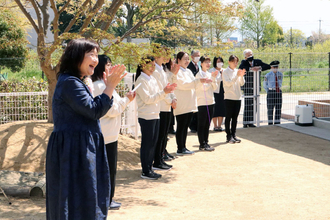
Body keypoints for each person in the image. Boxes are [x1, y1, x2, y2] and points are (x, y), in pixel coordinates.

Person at [46, 38, 127, 219]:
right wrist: (111, 87)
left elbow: (93, 108)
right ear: (76, 57)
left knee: (85, 198)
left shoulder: (76, 81)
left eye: (96, 54)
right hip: (72, 152)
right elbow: (94, 110)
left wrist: (108, 88)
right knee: (76, 200)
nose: (96, 59)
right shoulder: (70, 83)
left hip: (78, 148)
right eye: (91, 54)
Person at [91, 55, 136, 210]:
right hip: (105, 134)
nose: (110, 68)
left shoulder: (106, 85)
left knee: (110, 169)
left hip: (111, 134)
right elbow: (112, 110)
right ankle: (105, 200)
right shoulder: (98, 86)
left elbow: (115, 106)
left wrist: (125, 100)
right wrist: (127, 100)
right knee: (106, 170)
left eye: (111, 64)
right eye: (107, 65)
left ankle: (108, 199)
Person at [134, 56, 176, 180]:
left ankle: (150, 168)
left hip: (154, 114)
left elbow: (159, 94)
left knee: (153, 143)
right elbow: (148, 99)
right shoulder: (141, 80)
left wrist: (168, 94)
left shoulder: (151, 79)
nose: (153, 67)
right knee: (147, 143)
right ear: (142, 66)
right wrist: (164, 92)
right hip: (146, 115)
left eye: (153, 65)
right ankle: (145, 170)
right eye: (150, 65)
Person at [171, 52, 212, 155]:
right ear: (178, 60)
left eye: (188, 59)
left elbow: (193, 84)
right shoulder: (177, 72)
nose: (187, 61)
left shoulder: (188, 71)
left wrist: (198, 82)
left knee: (185, 126)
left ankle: (184, 147)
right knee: (181, 126)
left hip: (189, 103)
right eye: (184, 59)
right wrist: (198, 81)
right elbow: (182, 85)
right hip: (182, 102)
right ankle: (180, 148)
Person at [152, 46, 179, 170]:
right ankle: (157, 160)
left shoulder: (161, 69)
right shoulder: (156, 71)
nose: (166, 56)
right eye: (164, 53)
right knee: (160, 134)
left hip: (167, 104)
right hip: (162, 105)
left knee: (164, 134)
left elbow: (167, 86)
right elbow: (161, 89)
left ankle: (161, 158)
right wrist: (170, 100)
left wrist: (173, 99)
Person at [239, 49, 270, 128]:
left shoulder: (257, 61)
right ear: (245, 56)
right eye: (248, 55)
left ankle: (251, 121)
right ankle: (245, 122)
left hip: (256, 86)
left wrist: (259, 68)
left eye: (251, 54)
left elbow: (267, 66)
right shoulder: (244, 62)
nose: (250, 56)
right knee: (248, 104)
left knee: (255, 104)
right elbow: (241, 68)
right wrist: (251, 69)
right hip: (248, 86)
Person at [195, 56, 218, 151]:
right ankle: (202, 144)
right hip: (202, 102)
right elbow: (202, 88)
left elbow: (215, 87)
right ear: (201, 63)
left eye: (209, 62)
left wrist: (212, 79)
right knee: (202, 124)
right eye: (206, 62)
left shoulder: (209, 74)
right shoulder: (199, 74)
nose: (208, 64)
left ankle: (206, 142)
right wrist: (209, 82)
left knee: (208, 123)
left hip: (210, 101)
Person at [223, 55, 246, 144]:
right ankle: (228, 136)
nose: (235, 63)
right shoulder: (225, 72)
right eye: (233, 62)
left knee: (235, 118)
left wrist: (241, 76)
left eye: (236, 62)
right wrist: (237, 76)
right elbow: (228, 83)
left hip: (237, 97)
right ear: (229, 62)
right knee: (228, 117)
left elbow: (241, 83)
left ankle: (234, 134)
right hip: (229, 97)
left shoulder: (237, 71)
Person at [263, 60, 283, 125]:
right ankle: (270, 123)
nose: (275, 68)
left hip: (278, 91)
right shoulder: (267, 75)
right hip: (271, 91)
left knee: (278, 107)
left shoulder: (280, 74)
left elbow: (280, 82)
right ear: (271, 67)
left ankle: (277, 122)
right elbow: (265, 84)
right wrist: (268, 91)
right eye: (274, 67)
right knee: (270, 108)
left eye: (276, 67)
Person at [209, 56, 226, 132]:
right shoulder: (211, 70)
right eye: (218, 61)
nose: (219, 63)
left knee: (222, 109)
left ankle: (220, 125)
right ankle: (215, 126)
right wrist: (221, 77)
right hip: (215, 91)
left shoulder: (224, 70)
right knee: (215, 109)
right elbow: (212, 80)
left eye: (221, 61)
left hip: (223, 91)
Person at [187, 50, 201, 132]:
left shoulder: (199, 65)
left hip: (198, 89)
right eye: (196, 55)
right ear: (192, 57)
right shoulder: (189, 66)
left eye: (198, 55)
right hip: (192, 88)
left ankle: (196, 125)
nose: (198, 57)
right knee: (192, 108)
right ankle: (192, 126)